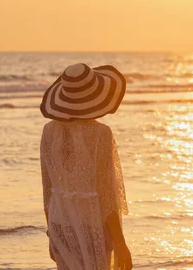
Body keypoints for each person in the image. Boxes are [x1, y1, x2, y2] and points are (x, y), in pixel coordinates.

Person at [39, 63, 132, 270]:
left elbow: (48, 191)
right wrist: (120, 241)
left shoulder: (48, 132)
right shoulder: (101, 134)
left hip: (59, 224)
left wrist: (50, 233)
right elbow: (107, 194)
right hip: (93, 224)